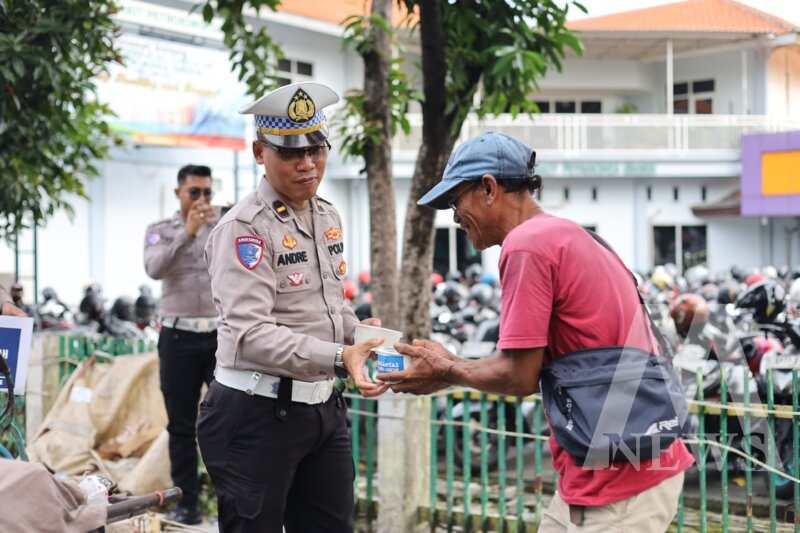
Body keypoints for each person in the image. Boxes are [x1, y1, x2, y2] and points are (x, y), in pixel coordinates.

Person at [379, 132, 695, 533]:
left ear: (489, 188)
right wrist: (452, 365)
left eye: (456, 201)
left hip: (620, 481)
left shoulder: (526, 246)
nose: (455, 217)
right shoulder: (571, 235)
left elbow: (519, 376)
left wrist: (446, 370)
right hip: (617, 466)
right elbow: (534, 365)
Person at [198, 81, 384, 533]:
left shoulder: (326, 215)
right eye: (290, 153)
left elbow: (328, 306)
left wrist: (361, 336)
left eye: (316, 150)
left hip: (322, 409)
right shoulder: (244, 229)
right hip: (254, 413)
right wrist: (341, 356)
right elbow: (250, 335)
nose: (307, 164)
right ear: (260, 152)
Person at [143, 164, 219, 525]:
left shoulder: (222, 226)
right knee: (182, 424)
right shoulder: (160, 230)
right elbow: (154, 268)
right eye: (194, 192)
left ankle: (228, 498)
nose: (201, 200)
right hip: (178, 336)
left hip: (218, 335)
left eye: (207, 192)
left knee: (227, 418)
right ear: (178, 193)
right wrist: (186, 233)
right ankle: (187, 503)